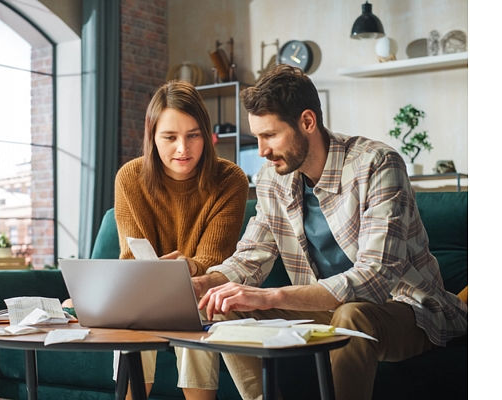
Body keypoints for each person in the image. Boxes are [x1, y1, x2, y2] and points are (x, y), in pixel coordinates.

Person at [190, 64, 468, 400]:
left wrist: (274, 295)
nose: (261, 150)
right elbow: (250, 257)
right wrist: (206, 283)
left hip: (405, 307)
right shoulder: (271, 179)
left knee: (351, 315)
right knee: (223, 305)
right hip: (325, 308)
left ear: (307, 122)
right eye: (257, 137)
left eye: (271, 135)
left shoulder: (377, 164)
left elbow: (375, 277)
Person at [113, 80, 249, 400]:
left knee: (196, 308)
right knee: (132, 313)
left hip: (201, 292)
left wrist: (188, 266)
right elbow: (131, 261)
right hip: (143, 294)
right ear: (152, 137)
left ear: (207, 135)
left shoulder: (230, 180)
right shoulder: (129, 178)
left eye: (193, 136)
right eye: (170, 137)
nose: (183, 150)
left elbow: (214, 262)